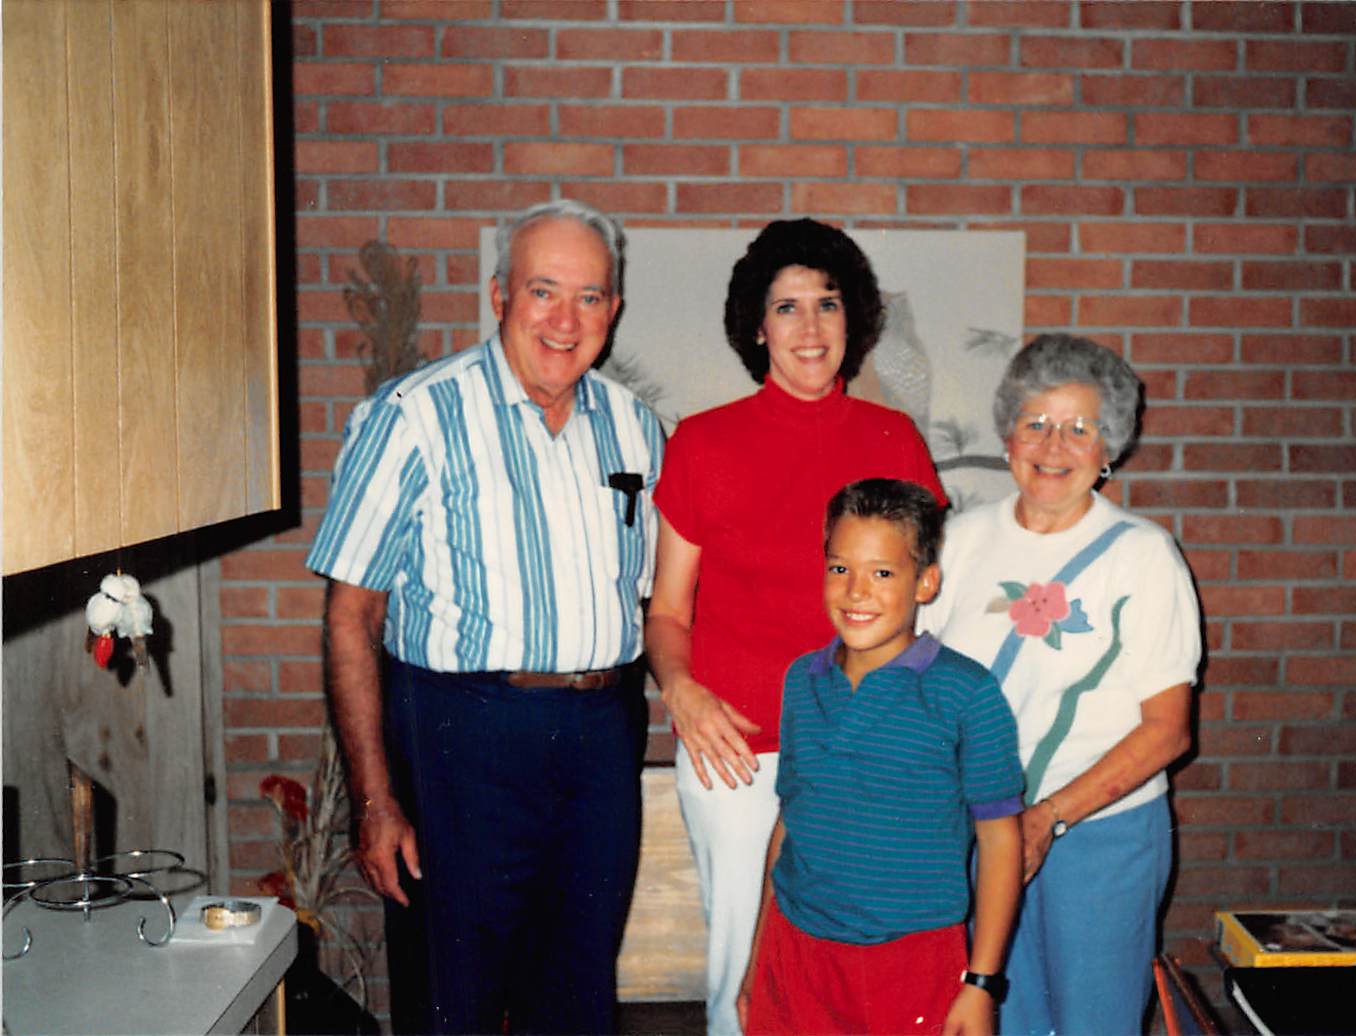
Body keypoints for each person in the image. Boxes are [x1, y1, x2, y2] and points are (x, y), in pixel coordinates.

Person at [306, 200, 664, 1035]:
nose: (565, 320)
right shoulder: (413, 416)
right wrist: (374, 800)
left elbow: (649, 598)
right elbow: (351, 617)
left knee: (578, 998)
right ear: (500, 295)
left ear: (613, 309)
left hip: (601, 736)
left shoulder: (636, 428)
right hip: (460, 736)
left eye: (589, 297)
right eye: (543, 291)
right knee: (453, 999)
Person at [645, 219, 947, 1036]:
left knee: (857, 968)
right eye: (787, 307)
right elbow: (667, 610)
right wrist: (683, 691)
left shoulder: (893, 440)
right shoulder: (704, 442)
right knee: (744, 979)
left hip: (868, 748)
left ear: (854, 319)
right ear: (757, 326)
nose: (810, 327)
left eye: (827, 303)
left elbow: (920, 606)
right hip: (738, 749)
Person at [920, 333, 1201, 1036]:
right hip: (980, 832)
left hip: (1100, 835)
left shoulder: (1144, 556)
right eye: (1037, 423)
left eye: (1080, 428)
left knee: (1094, 1023)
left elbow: (1168, 729)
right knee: (997, 1019)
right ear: (1008, 435)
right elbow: (918, 682)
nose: (1054, 446)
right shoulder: (958, 540)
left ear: (1110, 448)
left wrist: (1048, 817)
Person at [737, 478, 1024, 1035]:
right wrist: (755, 962)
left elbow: (1000, 840)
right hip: (797, 953)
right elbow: (788, 824)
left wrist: (981, 983)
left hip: (914, 962)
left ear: (926, 582)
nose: (856, 592)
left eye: (883, 573)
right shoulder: (802, 680)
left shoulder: (967, 693)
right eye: (840, 568)